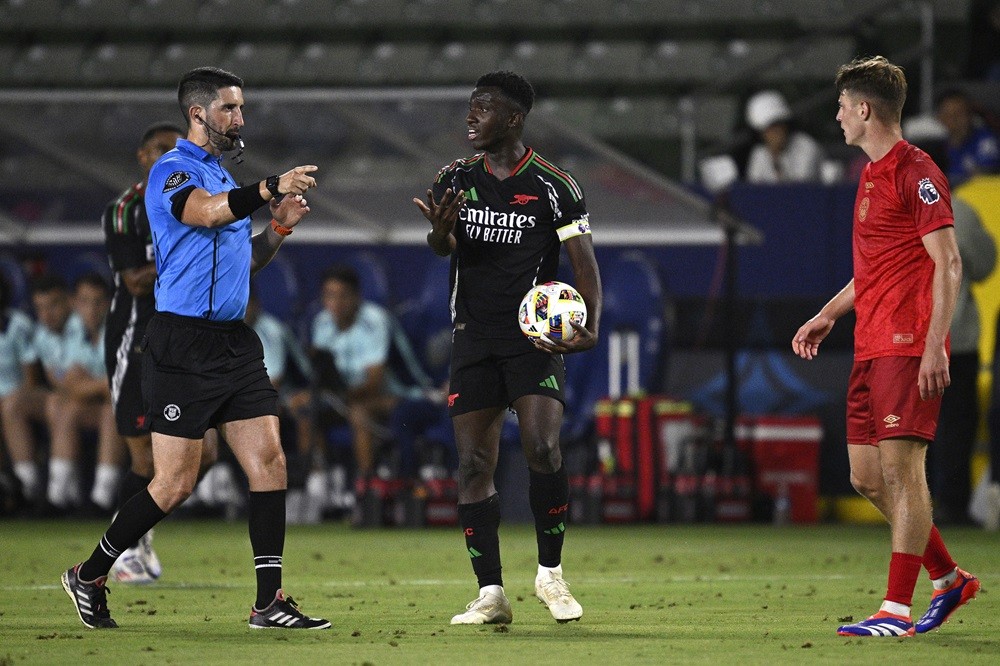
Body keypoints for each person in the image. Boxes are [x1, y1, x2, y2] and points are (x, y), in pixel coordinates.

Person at [61, 66, 328, 630]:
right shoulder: (173, 171)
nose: (239, 118)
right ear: (198, 113)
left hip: (233, 344)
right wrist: (270, 187)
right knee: (175, 482)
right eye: (229, 108)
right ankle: (89, 573)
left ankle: (268, 602)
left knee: (269, 461)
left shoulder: (218, 176)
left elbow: (246, 262)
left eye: (241, 108)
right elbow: (205, 212)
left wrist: (277, 229)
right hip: (181, 342)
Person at [792, 55, 979, 638]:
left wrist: (933, 346)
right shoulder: (870, 175)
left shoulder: (915, 170)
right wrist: (828, 313)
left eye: (844, 106)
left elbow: (948, 261)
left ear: (865, 109)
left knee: (904, 474)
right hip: (870, 345)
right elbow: (876, 266)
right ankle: (949, 580)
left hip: (905, 344)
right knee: (868, 477)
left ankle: (896, 610)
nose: (838, 115)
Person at [413, 70, 602, 625]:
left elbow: (584, 264)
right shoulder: (456, 176)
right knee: (473, 463)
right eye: (471, 107)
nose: (471, 117)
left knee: (543, 446)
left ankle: (550, 574)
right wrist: (438, 236)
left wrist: (587, 325)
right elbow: (442, 247)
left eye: (484, 109)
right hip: (472, 338)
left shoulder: (553, 184)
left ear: (514, 118)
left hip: (532, 337)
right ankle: (491, 594)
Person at [102, 121, 219, 583]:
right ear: (142, 156)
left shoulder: (202, 198)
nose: (168, 156)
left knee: (204, 454)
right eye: (159, 149)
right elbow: (133, 279)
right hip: (137, 338)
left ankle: (136, 536)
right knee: (147, 462)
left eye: (176, 148)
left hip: (186, 338)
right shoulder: (126, 210)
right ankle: (125, 548)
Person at [902, 116, 998, 525]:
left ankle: (911, 510)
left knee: (909, 430)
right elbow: (984, 266)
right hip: (954, 340)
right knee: (955, 430)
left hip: (907, 338)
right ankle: (951, 508)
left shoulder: (895, 208)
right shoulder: (960, 211)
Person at [48, 272, 126, 516]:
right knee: (67, 407)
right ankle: (57, 496)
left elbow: (121, 387)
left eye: (98, 301)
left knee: (112, 409)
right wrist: (101, 385)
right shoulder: (73, 328)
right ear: (74, 302)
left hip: (134, 410)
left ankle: (102, 498)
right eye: (84, 301)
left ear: (108, 303)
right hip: (96, 404)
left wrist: (95, 386)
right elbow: (72, 385)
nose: (91, 309)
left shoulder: (120, 326)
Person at [0, 271, 36, 506]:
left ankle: (27, 487)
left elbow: (31, 379)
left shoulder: (18, 324)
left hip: (19, 397)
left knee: (10, 406)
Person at [743, 89, 824, 184]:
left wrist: (776, 158)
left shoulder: (806, 147)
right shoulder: (759, 154)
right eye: (768, 129)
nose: (774, 133)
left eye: (777, 125)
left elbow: (799, 190)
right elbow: (754, 190)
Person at [935, 89, 1000, 186]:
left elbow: (986, 177)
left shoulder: (986, 141)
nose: (955, 120)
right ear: (940, 117)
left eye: (959, 114)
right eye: (950, 115)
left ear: (970, 114)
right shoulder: (936, 146)